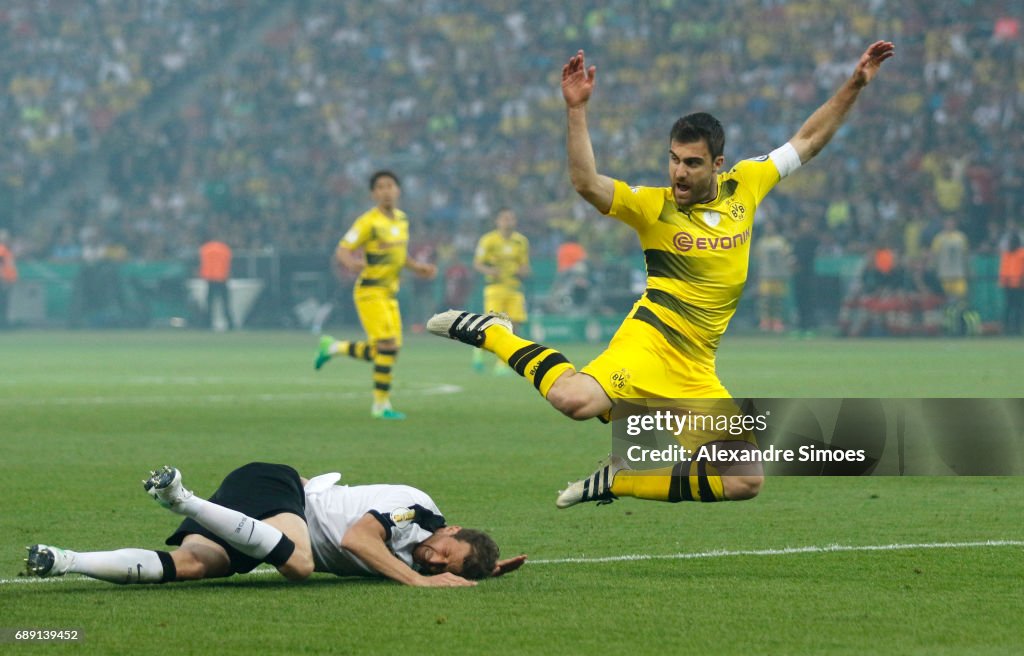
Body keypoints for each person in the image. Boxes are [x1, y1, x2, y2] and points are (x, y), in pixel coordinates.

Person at [427, 42, 895, 508]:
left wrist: (854, 84)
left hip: (696, 370)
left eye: (691, 163)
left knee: (744, 480)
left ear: (717, 164)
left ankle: (620, 480)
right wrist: (576, 111)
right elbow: (586, 183)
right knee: (573, 401)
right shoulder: (653, 206)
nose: (679, 172)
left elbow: (809, 139)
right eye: (673, 159)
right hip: (650, 342)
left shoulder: (747, 184)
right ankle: (494, 334)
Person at [25, 462, 526, 587]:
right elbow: (356, 539)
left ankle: (63, 560)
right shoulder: (418, 511)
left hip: (263, 525)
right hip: (278, 488)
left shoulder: (438, 555)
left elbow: (450, 564)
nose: (434, 559)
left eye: (445, 567)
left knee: (194, 565)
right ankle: (183, 498)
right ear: (450, 528)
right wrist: (420, 581)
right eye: (445, 551)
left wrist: (484, 569)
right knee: (301, 565)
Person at [315, 171, 437, 420]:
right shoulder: (368, 222)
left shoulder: (402, 220)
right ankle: (380, 406)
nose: (386, 191)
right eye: (380, 187)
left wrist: (418, 268)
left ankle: (334, 347)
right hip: (370, 291)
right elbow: (343, 249)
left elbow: (399, 256)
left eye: (390, 185)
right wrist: (350, 263)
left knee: (385, 351)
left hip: (389, 293)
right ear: (373, 194)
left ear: (398, 190)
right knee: (387, 346)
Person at [472, 209, 531, 374]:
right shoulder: (488, 240)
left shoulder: (521, 242)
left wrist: (524, 271)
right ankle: (478, 351)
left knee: (515, 326)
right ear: (497, 221)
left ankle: (503, 363)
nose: (508, 221)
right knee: (495, 326)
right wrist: (490, 271)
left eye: (511, 218)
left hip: (514, 288)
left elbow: (525, 265)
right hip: (495, 288)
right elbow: (477, 264)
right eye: (505, 218)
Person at [753, 220, 792, 333]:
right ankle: (765, 322)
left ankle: (777, 322)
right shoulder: (761, 242)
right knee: (765, 300)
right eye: (767, 226)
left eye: (771, 226)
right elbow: (757, 258)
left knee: (777, 300)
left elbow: (787, 255)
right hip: (765, 275)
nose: (769, 228)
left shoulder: (781, 242)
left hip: (778, 275)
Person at [198, 235, 235, 331]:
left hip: (210, 279)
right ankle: (230, 324)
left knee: (209, 304)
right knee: (225, 303)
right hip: (222, 278)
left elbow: (202, 263)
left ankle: (207, 324)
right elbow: (228, 263)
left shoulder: (205, 249)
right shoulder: (225, 248)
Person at [999, 232, 1024, 335]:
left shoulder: (1021, 254)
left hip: (1019, 286)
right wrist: (1003, 282)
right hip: (1009, 285)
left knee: (1019, 307)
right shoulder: (1006, 254)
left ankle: (1018, 328)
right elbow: (1003, 269)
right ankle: (1007, 328)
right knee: (1009, 307)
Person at [0, 229, 17, 329]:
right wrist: (3, 279)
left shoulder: (6, 250)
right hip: (3, 280)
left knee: (5, 303)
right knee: (3, 303)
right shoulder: (1, 250)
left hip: (6, 280)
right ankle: (3, 324)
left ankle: (3, 323)